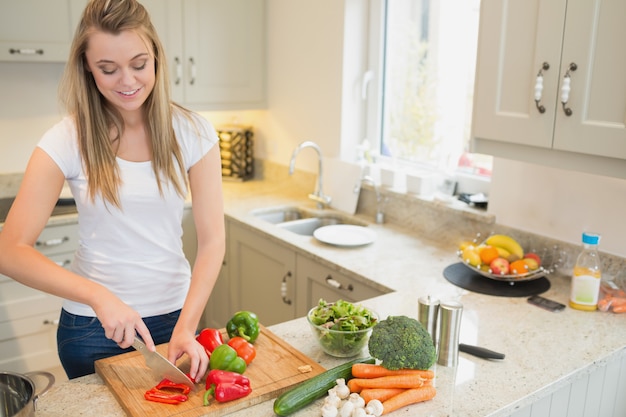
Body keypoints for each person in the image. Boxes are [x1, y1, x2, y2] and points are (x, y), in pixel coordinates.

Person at [0, 0, 225, 380]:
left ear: (156, 56)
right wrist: (99, 296)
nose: (128, 81)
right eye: (108, 69)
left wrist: (187, 325)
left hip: (176, 317)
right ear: (87, 67)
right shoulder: (67, 139)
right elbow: (9, 250)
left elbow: (213, 241)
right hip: (93, 329)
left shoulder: (193, 132)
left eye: (139, 64)